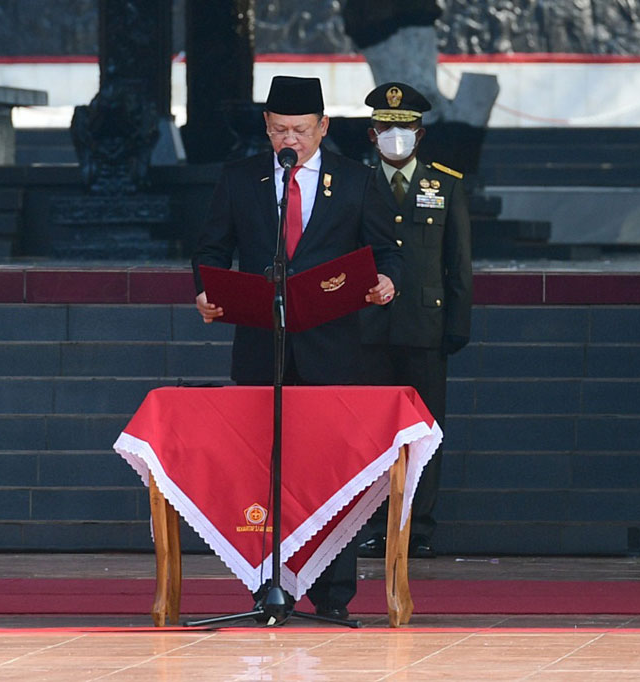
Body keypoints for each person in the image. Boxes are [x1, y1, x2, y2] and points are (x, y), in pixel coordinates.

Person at [192, 75, 400, 620]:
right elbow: (212, 249)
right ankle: (267, 588)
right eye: (281, 130)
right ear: (266, 128)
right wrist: (206, 293)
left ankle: (333, 596)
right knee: (263, 472)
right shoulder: (242, 179)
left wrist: (387, 282)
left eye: (302, 131)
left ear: (323, 127)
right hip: (263, 350)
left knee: (333, 472)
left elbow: (386, 251)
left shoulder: (355, 181)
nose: (291, 140)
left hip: (333, 353)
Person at [355, 82, 473, 559]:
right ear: (372, 134)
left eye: (404, 128)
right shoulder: (355, 183)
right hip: (367, 327)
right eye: (386, 127)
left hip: (426, 327)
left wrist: (458, 324)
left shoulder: (444, 184)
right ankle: (375, 524)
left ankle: (418, 527)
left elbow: (458, 262)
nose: (395, 135)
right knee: (373, 433)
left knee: (424, 430)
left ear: (420, 135)